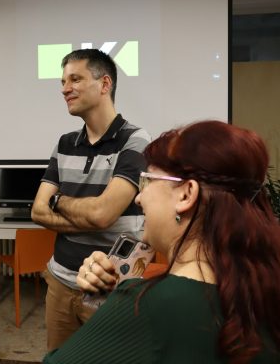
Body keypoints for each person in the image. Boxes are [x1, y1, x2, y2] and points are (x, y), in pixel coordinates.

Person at [44, 121, 280, 363]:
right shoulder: (261, 290)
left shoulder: (146, 306)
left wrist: (118, 310)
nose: (138, 198)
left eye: (147, 180)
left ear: (186, 194)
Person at [31, 49, 150, 350]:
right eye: (63, 81)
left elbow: (102, 214)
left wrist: (59, 201)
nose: (65, 88)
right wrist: (91, 219)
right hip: (60, 282)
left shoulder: (136, 140)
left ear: (105, 84)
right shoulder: (65, 143)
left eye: (75, 79)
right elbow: (37, 211)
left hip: (110, 288)